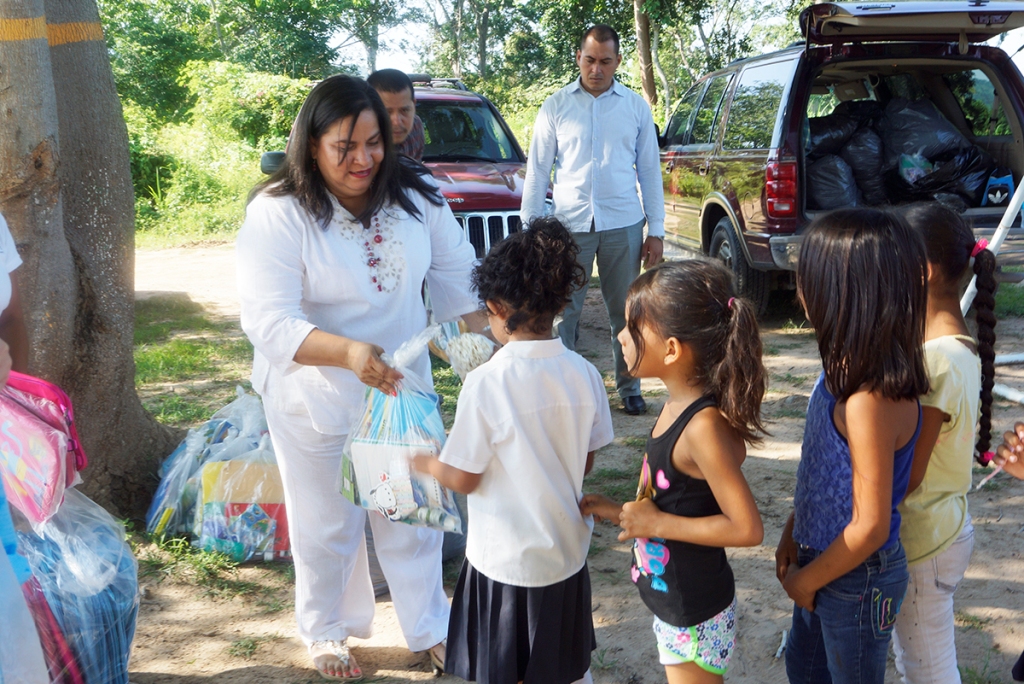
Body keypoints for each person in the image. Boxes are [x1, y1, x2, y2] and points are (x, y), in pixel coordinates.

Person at [236, 74, 487, 681]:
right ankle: (326, 630)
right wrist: (348, 354)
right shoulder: (278, 212)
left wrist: (490, 364)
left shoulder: (417, 197)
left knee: (409, 518)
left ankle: (429, 628)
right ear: (311, 144)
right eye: (343, 147)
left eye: (374, 143)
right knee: (327, 521)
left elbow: (460, 287)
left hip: (399, 391)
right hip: (313, 392)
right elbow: (268, 321)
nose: (362, 159)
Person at [412, 217, 614, 684]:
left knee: (504, 670)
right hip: (564, 555)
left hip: (503, 564)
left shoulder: (487, 383)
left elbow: (464, 478)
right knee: (558, 668)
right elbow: (585, 459)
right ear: (563, 301)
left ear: (495, 307)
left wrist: (426, 463)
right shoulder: (584, 374)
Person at [579, 260, 765, 683]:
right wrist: (624, 512)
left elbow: (747, 529)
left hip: (693, 609)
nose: (621, 336)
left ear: (672, 349)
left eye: (633, 327)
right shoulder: (678, 404)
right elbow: (681, 494)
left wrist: (658, 521)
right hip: (679, 599)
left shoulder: (702, 426)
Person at [775, 208, 929, 684]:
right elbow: (823, 475)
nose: (799, 288)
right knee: (805, 668)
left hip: (855, 579)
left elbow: (870, 526)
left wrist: (807, 579)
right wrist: (794, 534)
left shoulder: (869, 401)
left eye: (808, 277)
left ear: (844, 293)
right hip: (823, 560)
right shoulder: (841, 369)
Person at [520, 24, 666, 416]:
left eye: (605, 61)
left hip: (624, 224)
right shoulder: (556, 106)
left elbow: (650, 171)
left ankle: (629, 387)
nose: (596, 69)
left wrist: (658, 230)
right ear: (578, 58)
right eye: (589, 60)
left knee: (627, 310)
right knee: (563, 310)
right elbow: (537, 171)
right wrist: (530, 230)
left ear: (618, 61)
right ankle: (559, 390)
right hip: (568, 228)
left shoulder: (635, 107)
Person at [890, 203, 996, 683]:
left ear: (924, 272)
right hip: (940, 528)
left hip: (924, 539)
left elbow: (908, 473)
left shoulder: (938, 362)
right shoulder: (955, 350)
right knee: (919, 662)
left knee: (927, 671)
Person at [367, 69, 424, 162]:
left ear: (413, 105)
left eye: (404, 110)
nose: (397, 122)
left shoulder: (415, 128)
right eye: (387, 112)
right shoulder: (356, 148)